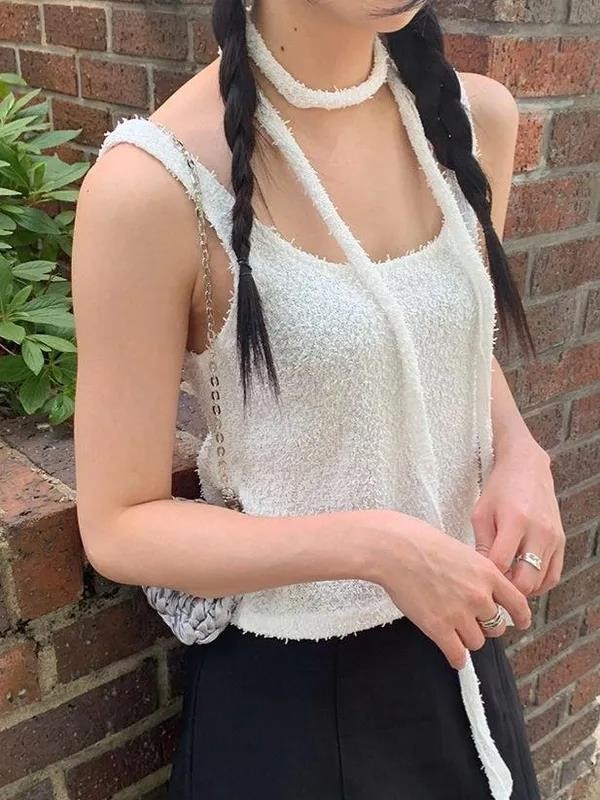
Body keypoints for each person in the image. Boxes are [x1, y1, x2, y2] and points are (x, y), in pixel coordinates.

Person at [71, 1, 566, 798]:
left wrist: (519, 450)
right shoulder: (154, 185)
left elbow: (453, 348)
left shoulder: (472, 121)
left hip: (462, 654)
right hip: (293, 699)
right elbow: (119, 526)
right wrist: (376, 547)